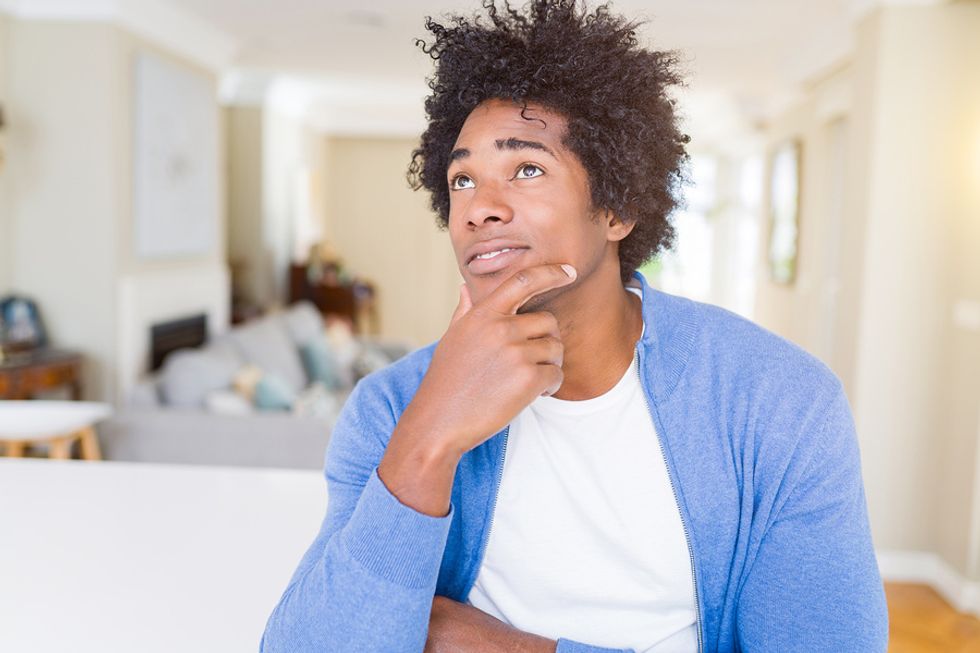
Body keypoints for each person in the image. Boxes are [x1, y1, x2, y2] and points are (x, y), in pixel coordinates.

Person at [261, 1, 888, 651]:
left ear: (616, 206)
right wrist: (429, 439)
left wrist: (506, 646)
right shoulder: (389, 408)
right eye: (463, 178)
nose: (479, 208)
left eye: (526, 168)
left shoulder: (780, 403)